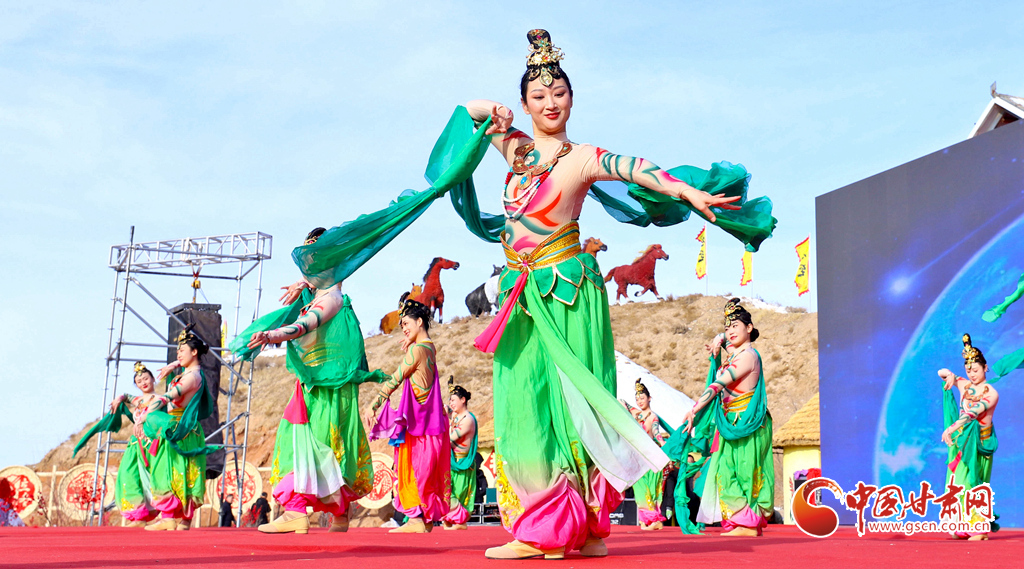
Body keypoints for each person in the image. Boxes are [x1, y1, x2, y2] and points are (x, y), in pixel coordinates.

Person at [285, 28, 775, 558]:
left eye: (559, 93)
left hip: (566, 292)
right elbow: (465, 113)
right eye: (538, 95)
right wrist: (491, 109)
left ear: (572, 99)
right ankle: (562, 525)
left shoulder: (582, 157)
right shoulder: (515, 148)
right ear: (524, 103)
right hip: (519, 295)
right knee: (524, 403)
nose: (550, 103)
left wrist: (687, 191)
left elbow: (640, 171)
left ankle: (569, 527)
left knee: (572, 403)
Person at [234, 228, 386, 535]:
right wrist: (304, 283)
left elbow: (305, 324)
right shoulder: (320, 294)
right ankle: (339, 513)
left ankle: (295, 510)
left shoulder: (331, 299)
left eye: (316, 262)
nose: (309, 268)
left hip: (326, 389)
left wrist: (273, 335)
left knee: (311, 446)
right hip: (319, 385)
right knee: (324, 445)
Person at [676, 298, 774, 537]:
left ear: (749, 328)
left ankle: (748, 524)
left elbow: (718, 384)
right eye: (727, 326)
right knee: (724, 470)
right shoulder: (734, 353)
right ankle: (744, 521)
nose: (730, 331)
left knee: (745, 472)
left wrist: (695, 409)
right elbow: (724, 340)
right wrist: (718, 338)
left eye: (735, 326)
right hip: (730, 422)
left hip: (747, 421)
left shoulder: (748, 357)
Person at [366, 299, 450, 534]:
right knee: (423, 470)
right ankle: (424, 518)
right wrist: (413, 340)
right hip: (431, 423)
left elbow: (396, 378)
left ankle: (415, 519)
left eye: (406, 323)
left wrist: (374, 404)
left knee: (411, 469)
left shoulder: (417, 350)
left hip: (418, 425)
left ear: (419, 321)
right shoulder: (429, 348)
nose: (403, 328)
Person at [142, 329, 215, 531]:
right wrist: (174, 365)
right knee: (183, 470)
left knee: (170, 469)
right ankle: (182, 519)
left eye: (182, 350)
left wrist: (146, 414)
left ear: (194, 352)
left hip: (179, 427)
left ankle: (169, 516)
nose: (178, 354)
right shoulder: (190, 373)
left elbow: (167, 397)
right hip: (183, 427)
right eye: (177, 352)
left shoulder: (192, 377)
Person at [938, 334, 1000, 540]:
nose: (972, 374)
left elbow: (971, 413)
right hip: (963, 442)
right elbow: (941, 372)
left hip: (980, 444)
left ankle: (979, 529)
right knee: (957, 484)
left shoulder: (991, 393)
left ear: (985, 367)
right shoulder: (965, 384)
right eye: (968, 370)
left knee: (975, 483)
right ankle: (964, 524)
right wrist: (950, 376)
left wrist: (951, 428)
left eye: (975, 370)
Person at [621, 380, 669, 530]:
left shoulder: (652, 417)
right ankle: (647, 519)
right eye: (637, 399)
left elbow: (656, 433)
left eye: (642, 398)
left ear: (649, 398)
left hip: (650, 457)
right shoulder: (636, 413)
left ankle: (654, 519)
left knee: (650, 489)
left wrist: (664, 445)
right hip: (638, 458)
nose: (639, 401)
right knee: (640, 489)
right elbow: (622, 402)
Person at [442, 378, 478, 530]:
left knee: (457, 493)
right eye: (450, 400)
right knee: (446, 491)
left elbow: (449, 438)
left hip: (461, 463)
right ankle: (450, 518)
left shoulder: (468, 420)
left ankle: (460, 520)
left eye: (453, 400)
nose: (451, 403)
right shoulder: (456, 416)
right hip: (451, 462)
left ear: (463, 400)